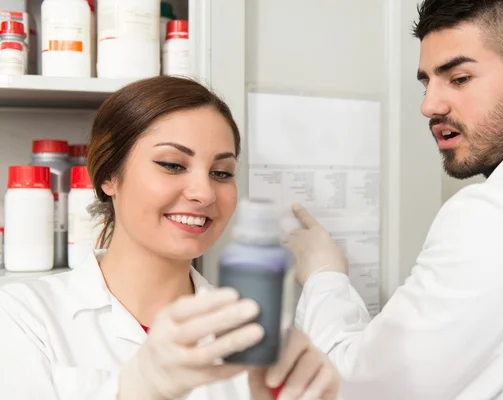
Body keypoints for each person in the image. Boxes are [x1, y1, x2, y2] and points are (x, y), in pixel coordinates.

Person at [285, 0, 503, 399]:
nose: (429, 105)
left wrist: (323, 275)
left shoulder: (495, 217)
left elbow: (353, 388)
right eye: (427, 82)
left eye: (459, 77)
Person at [0, 76, 340, 400]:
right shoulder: (23, 315)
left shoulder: (251, 334)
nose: (204, 193)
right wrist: (139, 389)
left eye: (221, 173)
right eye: (172, 164)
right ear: (108, 176)